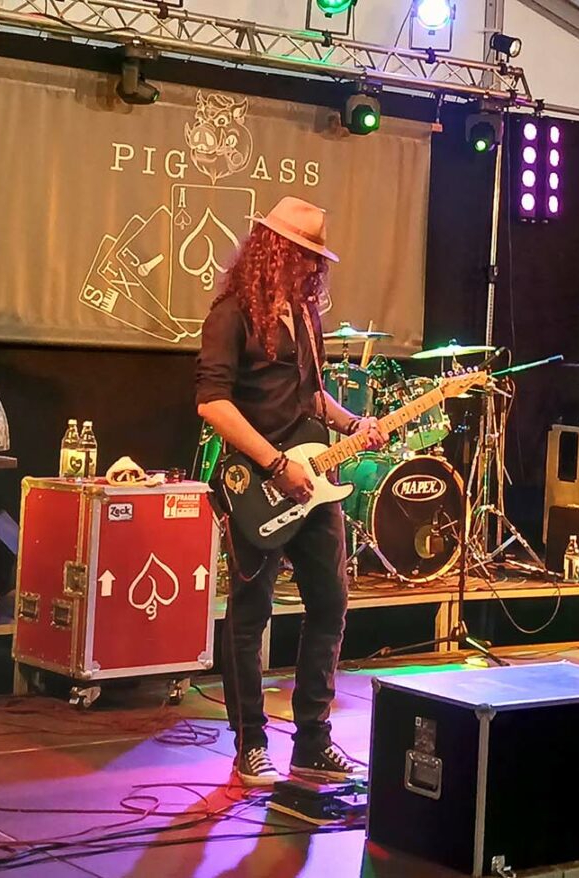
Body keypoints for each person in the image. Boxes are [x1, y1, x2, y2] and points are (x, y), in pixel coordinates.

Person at [194, 196, 386, 787]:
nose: (312, 267)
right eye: (303, 255)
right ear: (273, 251)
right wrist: (275, 463)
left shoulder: (305, 316)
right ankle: (250, 742)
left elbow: (310, 396)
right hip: (256, 482)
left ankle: (312, 741)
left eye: (316, 259)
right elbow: (213, 404)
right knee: (249, 615)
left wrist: (353, 425)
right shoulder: (231, 314)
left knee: (330, 604)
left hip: (313, 482)